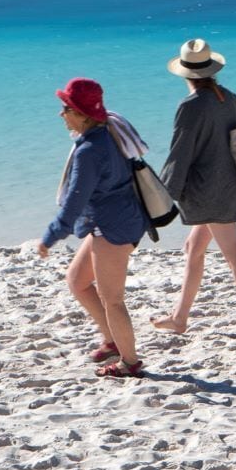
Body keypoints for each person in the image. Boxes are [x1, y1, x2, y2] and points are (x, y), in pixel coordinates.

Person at [151, 38, 236, 342]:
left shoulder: (191, 106)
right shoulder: (228, 98)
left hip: (210, 192)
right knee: (194, 248)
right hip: (231, 184)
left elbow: (180, 153)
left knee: (235, 256)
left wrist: (163, 195)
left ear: (185, 74)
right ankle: (179, 318)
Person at [37, 76, 147, 378]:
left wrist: (51, 237)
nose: (62, 114)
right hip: (119, 218)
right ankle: (112, 340)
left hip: (114, 226)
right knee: (77, 280)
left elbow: (74, 202)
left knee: (113, 299)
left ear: (82, 113)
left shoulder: (89, 151)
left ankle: (130, 362)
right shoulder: (109, 129)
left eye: (66, 108)